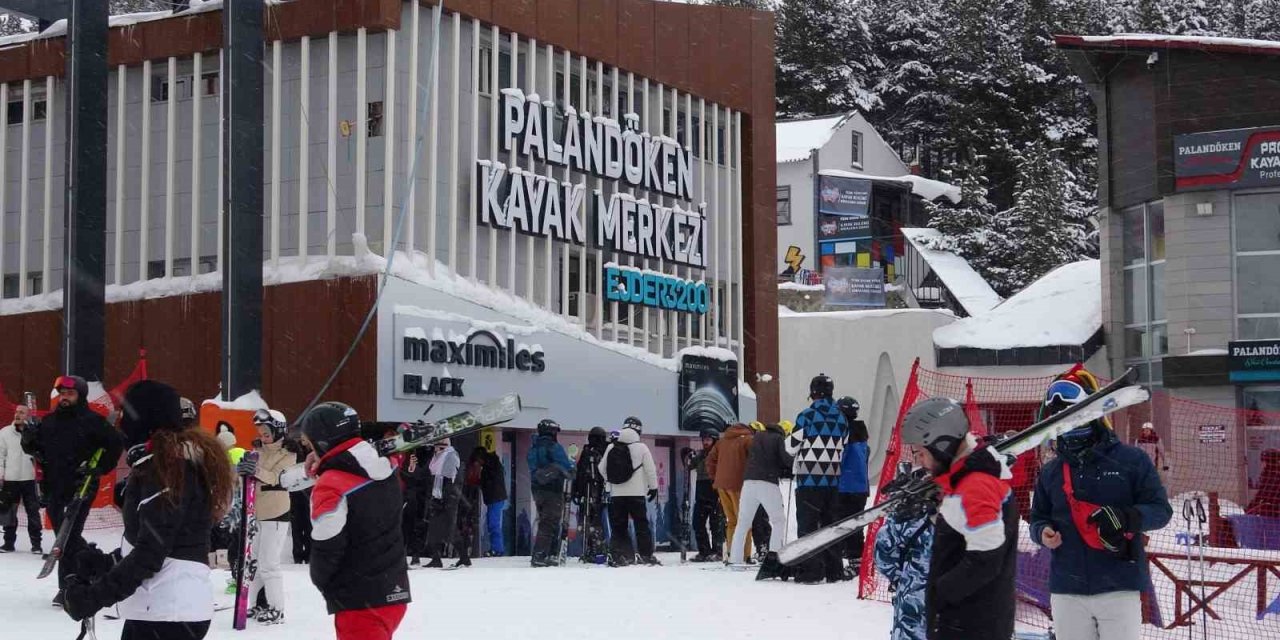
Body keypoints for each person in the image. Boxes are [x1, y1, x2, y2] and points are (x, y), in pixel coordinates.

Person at [59, 379, 235, 640]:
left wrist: (94, 597)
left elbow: (151, 554)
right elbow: (160, 543)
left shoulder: (166, 470)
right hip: (161, 611)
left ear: (142, 422)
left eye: (125, 415)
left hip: (169, 612)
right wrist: (105, 563)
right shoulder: (167, 466)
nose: (120, 423)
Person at [1030, 370, 1173, 640]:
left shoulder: (1131, 461)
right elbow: (1038, 517)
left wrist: (1126, 517)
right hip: (1066, 589)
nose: (1068, 426)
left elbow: (1161, 511)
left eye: (1073, 414)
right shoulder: (1051, 471)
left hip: (1119, 586)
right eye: (1060, 418)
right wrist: (1042, 532)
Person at [900, 395, 1017, 640]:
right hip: (970, 621)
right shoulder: (969, 479)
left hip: (969, 625)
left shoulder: (975, 486)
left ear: (941, 445)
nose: (919, 461)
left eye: (920, 452)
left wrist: (940, 592)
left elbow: (986, 558)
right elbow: (965, 536)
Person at [301, 401, 411, 640]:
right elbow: (356, 464)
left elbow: (327, 547)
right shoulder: (387, 467)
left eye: (309, 444)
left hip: (359, 599)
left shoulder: (330, 484)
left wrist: (322, 581)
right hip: (392, 591)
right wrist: (323, 461)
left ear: (321, 442)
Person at [21, 374, 124, 606]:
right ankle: (96, 561)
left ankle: (67, 586)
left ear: (80, 395)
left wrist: (98, 469)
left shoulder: (93, 421)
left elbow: (114, 446)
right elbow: (34, 449)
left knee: (65, 538)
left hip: (81, 487)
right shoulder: (49, 422)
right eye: (62, 394)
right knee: (65, 537)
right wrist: (28, 438)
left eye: (70, 394)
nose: (64, 398)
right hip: (53, 488)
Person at [787, 373, 849, 584]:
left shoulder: (806, 416)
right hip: (832, 480)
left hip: (809, 480)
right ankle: (835, 571)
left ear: (812, 393)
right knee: (831, 525)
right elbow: (845, 443)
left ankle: (812, 571)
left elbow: (791, 446)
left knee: (808, 526)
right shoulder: (842, 418)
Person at [873, 456, 936, 640]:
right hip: (950, 609)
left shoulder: (907, 514)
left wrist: (902, 578)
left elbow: (884, 550)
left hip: (913, 599)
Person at [247, 408, 293, 624]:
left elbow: (277, 478)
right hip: (256, 512)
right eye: (261, 433)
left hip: (276, 512)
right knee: (255, 562)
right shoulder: (258, 451)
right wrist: (243, 472)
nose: (263, 437)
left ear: (278, 431)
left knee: (269, 563)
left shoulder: (289, 453)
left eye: (267, 433)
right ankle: (256, 604)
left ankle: (277, 608)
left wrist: (254, 470)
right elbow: (249, 482)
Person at [599, 417, 659, 566]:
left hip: (617, 495)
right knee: (641, 526)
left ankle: (622, 556)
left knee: (619, 527)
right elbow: (651, 470)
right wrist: (653, 487)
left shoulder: (611, 447)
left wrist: (613, 480)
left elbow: (601, 468)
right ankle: (646, 555)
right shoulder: (642, 448)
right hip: (637, 494)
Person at [734, 422, 792, 577]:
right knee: (778, 520)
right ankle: (773, 556)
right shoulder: (778, 439)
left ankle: (735, 560)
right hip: (767, 482)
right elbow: (784, 459)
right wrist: (793, 466)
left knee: (743, 523)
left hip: (748, 482)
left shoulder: (757, 437)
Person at [527, 419, 573, 567]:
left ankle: (546, 554)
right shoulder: (554, 447)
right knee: (550, 522)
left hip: (537, 490)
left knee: (544, 520)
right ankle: (542, 555)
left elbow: (532, 467)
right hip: (552, 490)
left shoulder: (533, 447)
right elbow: (566, 466)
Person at [706, 422, 754, 563]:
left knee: (732, 521)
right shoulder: (747, 440)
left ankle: (732, 552)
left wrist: (715, 476)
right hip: (739, 484)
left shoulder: (722, 442)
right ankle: (744, 555)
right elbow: (756, 458)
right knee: (745, 521)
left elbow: (709, 460)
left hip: (722, 486)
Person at [0, 404, 42, 554]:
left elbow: (40, 454)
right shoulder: (4, 433)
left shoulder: (34, 433)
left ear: (28, 416)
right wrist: (1, 475)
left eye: (22, 412)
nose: (18, 415)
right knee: (9, 512)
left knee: (33, 512)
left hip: (29, 479)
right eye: (17, 412)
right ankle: (8, 543)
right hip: (11, 479)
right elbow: (0, 456)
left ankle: (36, 544)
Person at [837, 396, 870, 578]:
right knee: (856, 524)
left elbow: (840, 459)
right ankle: (857, 558)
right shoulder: (862, 433)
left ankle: (854, 559)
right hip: (860, 486)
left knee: (844, 525)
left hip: (845, 486)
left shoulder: (844, 432)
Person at [686, 427, 725, 562]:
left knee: (716, 524)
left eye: (708, 440)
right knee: (698, 523)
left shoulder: (720, 454)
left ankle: (717, 551)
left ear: (714, 440)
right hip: (701, 490)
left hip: (715, 490)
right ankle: (704, 551)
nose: (705, 442)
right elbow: (689, 465)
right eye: (704, 440)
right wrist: (688, 457)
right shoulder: (701, 455)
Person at [424, 438, 462, 568]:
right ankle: (436, 558)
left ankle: (464, 557)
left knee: (450, 529)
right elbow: (431, 474)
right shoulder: (436, 458)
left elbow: (450, 478)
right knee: (434, 529)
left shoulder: (451, 456)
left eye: (437, 446)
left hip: (448, 497)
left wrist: (445, 498)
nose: (434, 449)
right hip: (437, 496)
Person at [572, 427, 608, 562]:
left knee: (590, 522)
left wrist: (576, 491)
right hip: (597, 493)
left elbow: (580, 473)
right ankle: (597, 548)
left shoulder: (588, 452)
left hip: (590, 493)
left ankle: (594, 549)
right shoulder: (602, 451)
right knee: (595, 522)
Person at [284, 435, 313, 564]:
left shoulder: (312, 451)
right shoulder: (296, 450)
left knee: (307, 525)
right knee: (298, 525)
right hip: (297, 493)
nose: (302, 438)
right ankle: (299, 554)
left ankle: (307, 554)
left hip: (307, 493)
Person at [401, 447, 431, 565]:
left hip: (413, 498)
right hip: (414, 497)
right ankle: (413, 555)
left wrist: (411, 470)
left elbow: (416, 477)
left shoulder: (412, 459)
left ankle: (413, 555)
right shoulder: (411, 459)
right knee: (411, 528)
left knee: (410, 528)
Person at [1248, 449, 1280, 517]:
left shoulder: (1274, 474)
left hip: (1274, 510)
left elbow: (1264, 493)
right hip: (1269, 509)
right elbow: (1261, 493)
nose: (1262, 464)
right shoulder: (1267, 473)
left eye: (1265, 461)